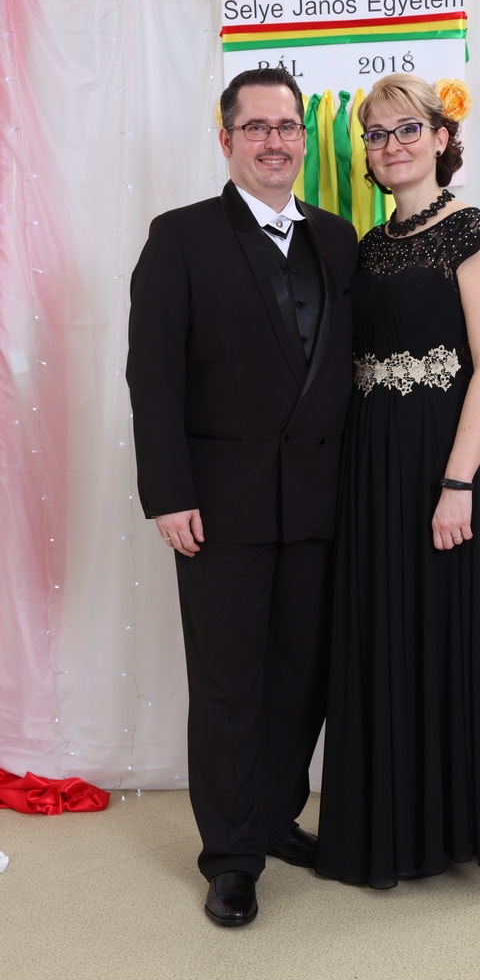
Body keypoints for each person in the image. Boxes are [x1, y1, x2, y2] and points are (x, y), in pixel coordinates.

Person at [126, 68, 357, 925]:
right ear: (226, 140)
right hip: (219, 508)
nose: (273, 141)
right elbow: (152, 375)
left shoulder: (337, 238)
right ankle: (229, 858)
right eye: (254, 127)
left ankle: (270, 816)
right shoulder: (180, 236)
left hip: (319, 503)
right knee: (229, 687)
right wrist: (168, 493)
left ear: (303, 138)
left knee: (302, 679)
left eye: (286, 126)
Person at [315, 74, 480, 889]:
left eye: (407, 128)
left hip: (447, 460)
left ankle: (452, 825)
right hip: (373, 462)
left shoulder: (473, 232)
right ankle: (394, 825)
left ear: (442, 138)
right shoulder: (367, 246)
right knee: (385, 630)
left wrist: (457, 484)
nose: (391, 146)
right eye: (376, 135)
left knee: (446, 630)